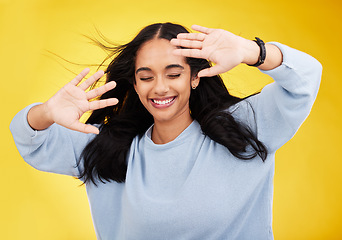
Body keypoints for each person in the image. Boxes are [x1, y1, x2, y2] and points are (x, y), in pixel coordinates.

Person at [10, 22, 322, 239]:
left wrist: (252, 51)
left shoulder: (242, 126)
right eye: (146, 77)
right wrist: (47, 113)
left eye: (173, 74)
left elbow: (307, 79)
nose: (160, 88)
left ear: (194, 77)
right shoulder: (110, 148)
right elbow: (29, 139)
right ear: (134, 83)